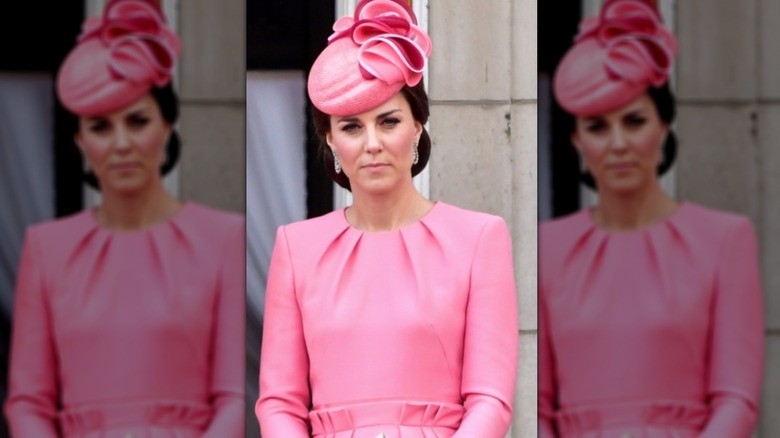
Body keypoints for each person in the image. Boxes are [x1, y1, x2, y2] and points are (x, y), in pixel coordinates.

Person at [254, 0, 519, 436]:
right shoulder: (295, 247)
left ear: (417, 126)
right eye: (352, 126)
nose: (372, 143)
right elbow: (280, 404)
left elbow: (490, 400)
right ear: (331, 139)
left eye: (389, 121)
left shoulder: (479, 238)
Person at [4, 1, 245, 436]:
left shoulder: (224, 239)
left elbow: (232, 396)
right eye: (100, 126)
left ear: (167, 127)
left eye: (137, 121)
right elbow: (28, 402)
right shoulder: (45, 249)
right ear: (79, 140)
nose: (121, 144)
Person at [539, 1, 764, 437]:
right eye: (598, 127)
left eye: (635, 120)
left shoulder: (725, 240)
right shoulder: (546, 248)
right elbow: (537, 403)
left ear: (663, 126)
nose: (618, 143)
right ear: (575, 139)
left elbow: (736, 399)